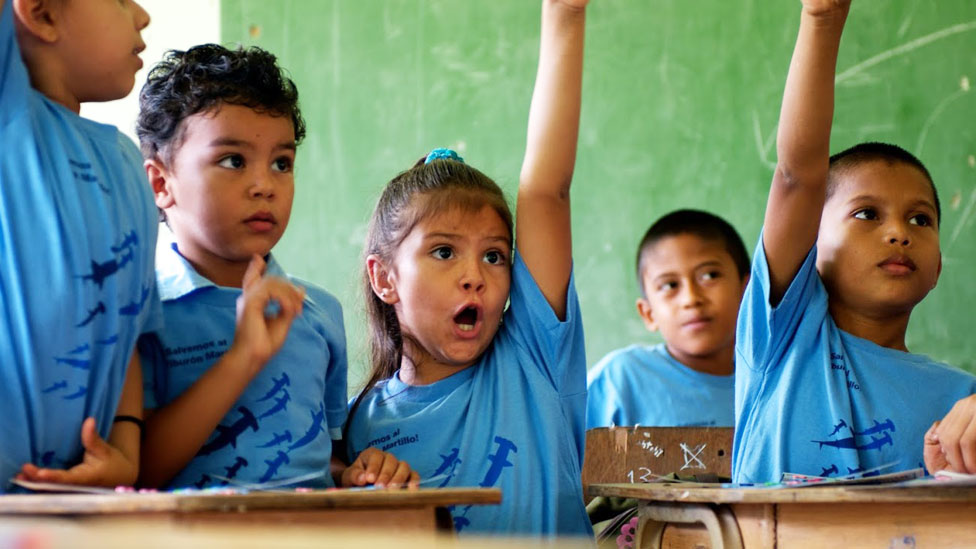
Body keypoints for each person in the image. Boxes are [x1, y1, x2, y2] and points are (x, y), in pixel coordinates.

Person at [344, 0, 592, 537]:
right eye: (443, 251)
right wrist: (352, 478)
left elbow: (546, 189)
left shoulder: (532, 357)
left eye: (495, 255)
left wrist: (564, 16)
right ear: (385, 278)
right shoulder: (358, 422)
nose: (474, 274)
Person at [135, 44, 417, 489]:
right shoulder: (142, 312)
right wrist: (243, 357)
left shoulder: (318, 313)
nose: (265, 185)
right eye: (233, 161)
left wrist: (359, 473)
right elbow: (138, 470)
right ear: (161, 182)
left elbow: (323, 459)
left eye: (282, 163)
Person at [732, 0, 976, 484]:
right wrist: (821, 19)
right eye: (866, 213)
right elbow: (796, 177)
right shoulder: (784, 337)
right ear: (811, 244)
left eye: (921, 220)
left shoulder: (963, 399)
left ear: (939, 266)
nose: (898, 232)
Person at [1, 0, 162, 491]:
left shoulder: (129, 165)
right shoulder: (11, 122)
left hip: (78, 503)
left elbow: (129, 336)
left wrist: (125, 452)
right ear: (42, 13)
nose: (142, 15)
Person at [587, 209, 749, 429]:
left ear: (747, 292)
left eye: (709, 275)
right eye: (670, 285)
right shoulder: (621, 381)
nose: (691, 299)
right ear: (648, 313)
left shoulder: (768, 384)